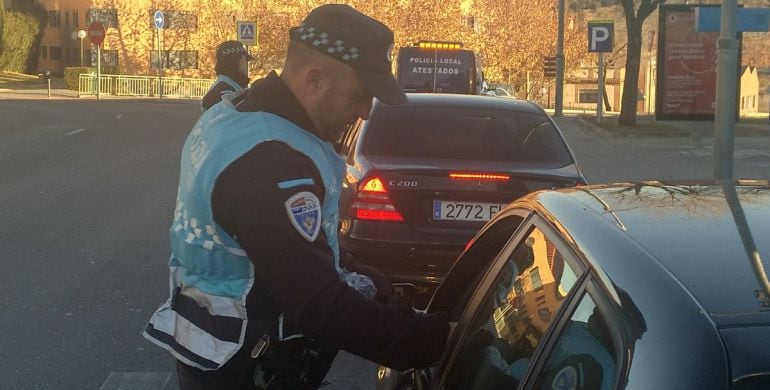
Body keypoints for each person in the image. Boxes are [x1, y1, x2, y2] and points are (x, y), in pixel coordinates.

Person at [143, 4, 449, 389]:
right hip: (245, 369)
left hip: (211, 350)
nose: (365, 111)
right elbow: (320, 307)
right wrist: (441, 340)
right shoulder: (272, 161)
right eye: (359, 94)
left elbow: (293, 249)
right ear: (315, 80)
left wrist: (380, 287)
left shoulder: (233, 117)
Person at [201, 40, 253, 111]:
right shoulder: (225, 92)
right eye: (245, 60)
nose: (246, 65)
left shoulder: (227, 86)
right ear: (238, 61)